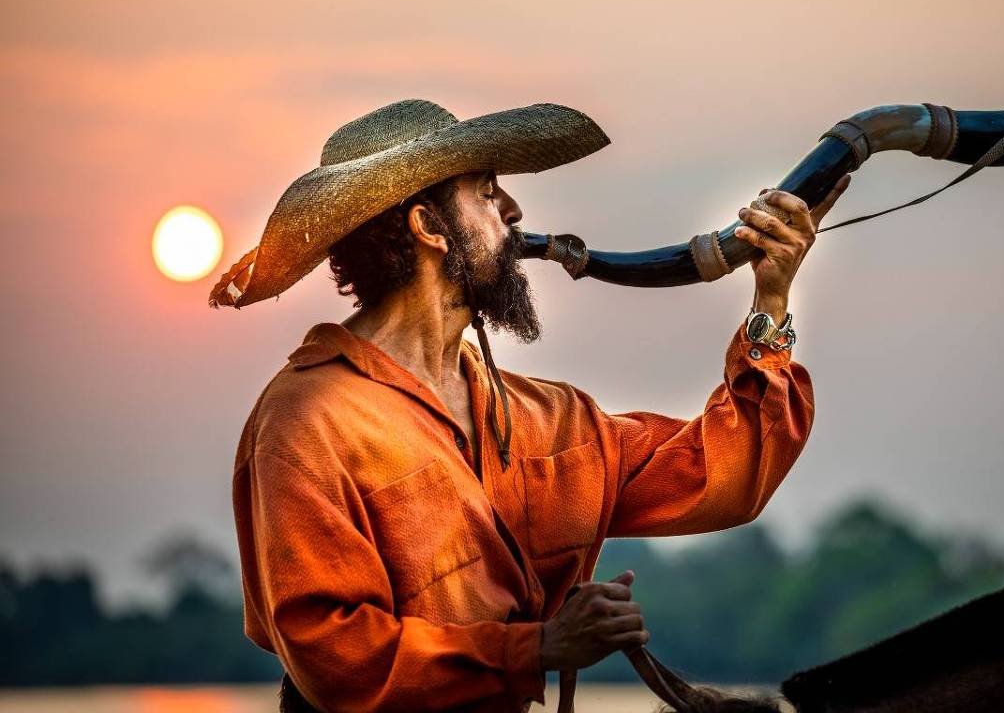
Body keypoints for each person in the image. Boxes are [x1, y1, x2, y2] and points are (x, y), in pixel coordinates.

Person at [211, 99, 849, 712]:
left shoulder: (547, 417)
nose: (513, 211)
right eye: (486, 192)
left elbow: (723, 478)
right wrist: (538, 647)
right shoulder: (308, 420)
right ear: (429, 227)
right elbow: (336, 657)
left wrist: (771, 302)